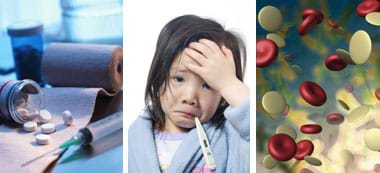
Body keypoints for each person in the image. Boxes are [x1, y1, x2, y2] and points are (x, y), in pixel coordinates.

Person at [129, 14, 250, 173]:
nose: (190, 97)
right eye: (179, 79)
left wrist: (230, 83)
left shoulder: (233, 137)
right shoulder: (133, 138)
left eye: (208, 85)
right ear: (158, 78)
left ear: (222, 97)